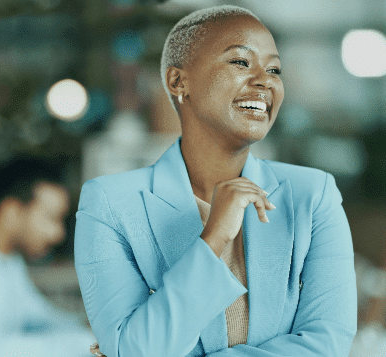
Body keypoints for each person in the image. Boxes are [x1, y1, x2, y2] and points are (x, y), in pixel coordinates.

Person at [75, 5, 357, 357]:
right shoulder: (109, 203)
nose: (265, 80)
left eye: (274, 69)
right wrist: (214, 238)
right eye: (240, 62)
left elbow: (326, 346)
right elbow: (135, 350)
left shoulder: (314, 196)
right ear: (179, 82)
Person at [0, 156, 94, 357]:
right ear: (11, 211)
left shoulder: (9, 262)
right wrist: (88, 343)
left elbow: (40, 316)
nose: (58, 234)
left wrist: (94, 331)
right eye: (51, 218)